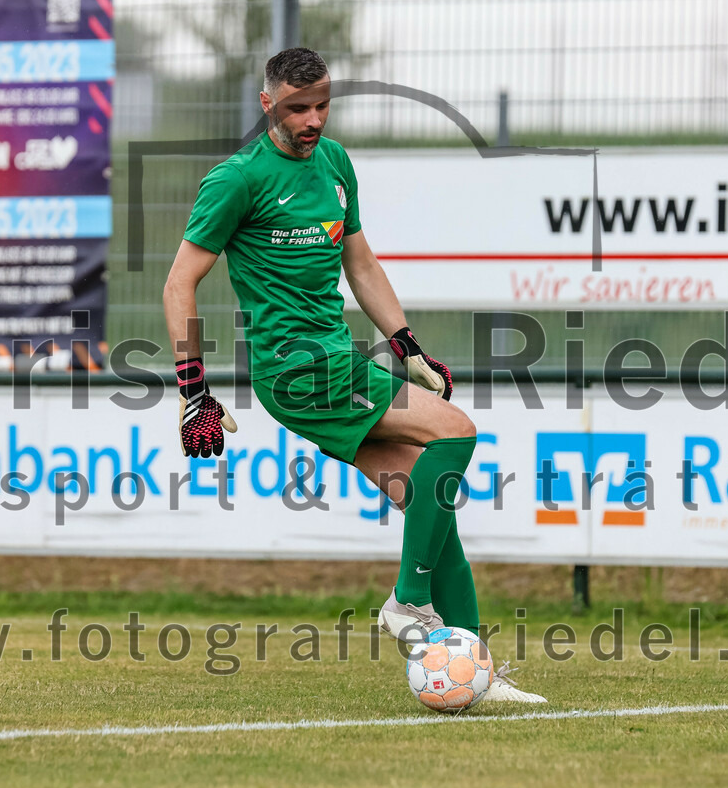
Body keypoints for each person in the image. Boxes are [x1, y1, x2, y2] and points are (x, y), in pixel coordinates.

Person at [163, 47, 545, 704]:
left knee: (429, 504)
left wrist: (406, 344)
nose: (312, 119)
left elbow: (360, 262)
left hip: (334, 359)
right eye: (296, 108)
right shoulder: (238, 179)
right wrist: (193, 388)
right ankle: (408, 600)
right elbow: (179, 282)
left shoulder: (336, 164)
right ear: (267, 106)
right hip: (298, 367)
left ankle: (473, 671)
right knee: (455, 433)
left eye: (321, 105)